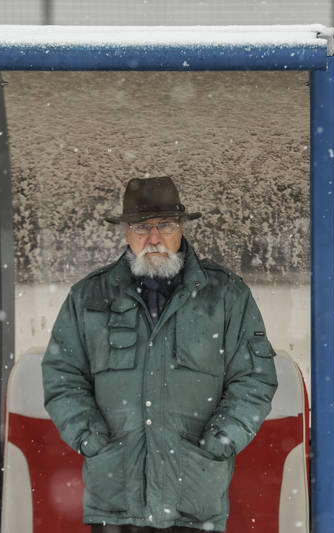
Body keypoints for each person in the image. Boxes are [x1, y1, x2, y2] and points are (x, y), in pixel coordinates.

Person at [41, 176, 278, 533]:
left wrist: (221, 440)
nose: (153, 238)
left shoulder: (226, 295)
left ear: (180, 228)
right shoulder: (88, 298)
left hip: (195, 499)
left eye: (164, 225)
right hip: (116, 502)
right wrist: (92, 438)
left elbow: (254, 378)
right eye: (141, 227)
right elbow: (63, 377)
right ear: (125, 233)